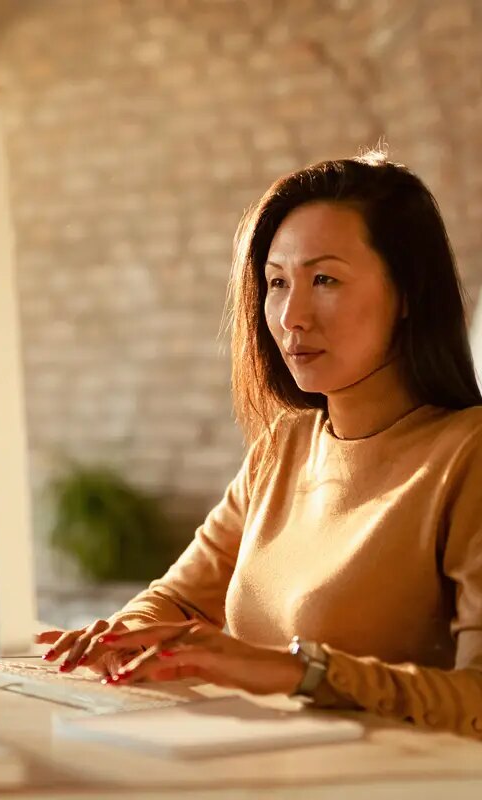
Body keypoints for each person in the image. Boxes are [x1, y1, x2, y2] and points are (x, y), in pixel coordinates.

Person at [36, 151, 482, 739]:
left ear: (407, 295)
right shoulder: (284, 445)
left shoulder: (466, 454)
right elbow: (177, 598)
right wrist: (124, 638)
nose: (291, 316)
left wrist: (302, 673)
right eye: (276, 282)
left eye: (324, 279)